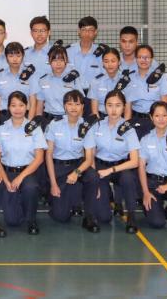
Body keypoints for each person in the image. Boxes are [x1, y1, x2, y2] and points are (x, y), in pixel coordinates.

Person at [0, 91, 46, 236]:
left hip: (28, 172)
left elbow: (39, 158)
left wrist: (20, 177)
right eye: (13, 105)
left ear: (27, 107)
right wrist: (6, 181)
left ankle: (31, 220)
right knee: (12, 221)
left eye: (21, 105)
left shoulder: (34, 128)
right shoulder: (0, 128)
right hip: (6, 171)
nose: (17, 109)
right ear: (8, 107)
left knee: (30, 187)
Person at [45, 90, 100, 233]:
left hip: (78, 166)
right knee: (61, 217)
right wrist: (53, 184)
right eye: (69, 104)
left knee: (93, 177)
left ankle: (89, 217)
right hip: (58, 168)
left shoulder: (86, 127)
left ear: (82, 106)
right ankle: (62, 199)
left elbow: (89, 158)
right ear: (64, 106)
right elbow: (48, 155)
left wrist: (77, 173)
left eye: (77, 104)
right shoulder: (54, 124)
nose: (73, 107)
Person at [87, 90, 141, 233]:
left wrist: (111, 170)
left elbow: (135, 161)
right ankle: (99, 207)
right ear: (104, 106)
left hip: (120, 167)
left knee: (128, 178)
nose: (113, 109)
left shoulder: (128, 129)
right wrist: (95, 182)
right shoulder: (97, 125)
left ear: (124, 107)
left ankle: (131, 216)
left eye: (118, 105)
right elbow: (90, 155)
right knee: (104, 218)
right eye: (110, 105)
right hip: (100, 166)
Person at [33, 46, 87, 124]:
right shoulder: (43, 80)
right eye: (55, 60)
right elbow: (39, 107)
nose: (58, 64)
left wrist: (78, 123)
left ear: (66, 60)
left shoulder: (73, 79)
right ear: (49, 61)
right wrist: (38, 122)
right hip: (48, 120)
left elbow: (80, 105)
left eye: (61, 60)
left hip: (69, 119)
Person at [123, 45, 167, 135]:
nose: (143, 60)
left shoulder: (160, 77)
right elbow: (128, 106)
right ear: (136, 59)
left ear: (152, 59)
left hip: (156, 119)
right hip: (136, 118)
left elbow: (165, 104)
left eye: (147, 57)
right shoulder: (130, 78)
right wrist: (125, 126)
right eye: (140, 57)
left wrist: (165, 124)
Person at [0, 43, 39, 122]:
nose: (15, 59)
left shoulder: (30, 76)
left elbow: (33, 103)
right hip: (4, 116)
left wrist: (29, 123)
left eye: (18, 56)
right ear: (6, 58)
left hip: (25, 116)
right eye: (11, 56)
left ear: (23, 57)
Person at [87, 47, 130, 119]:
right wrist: (98, 123)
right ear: (102, 63)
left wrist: (124, 124)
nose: (110, 64)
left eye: (113, 61)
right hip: (101, 117)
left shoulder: (125, 81)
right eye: (106, 61)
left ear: (119, 62)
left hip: (121, 118)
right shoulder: (96, 81)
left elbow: (128, 108)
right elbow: (95, 111)